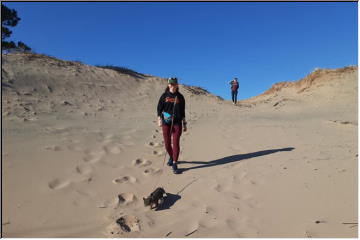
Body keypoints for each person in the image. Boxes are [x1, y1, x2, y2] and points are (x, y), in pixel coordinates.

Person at [157, 77, 187, 174]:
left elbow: (183, 111)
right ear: (168, 85)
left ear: (177, 85)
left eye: (174, 84)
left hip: (177, 122)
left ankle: (174, 163)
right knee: (167, 144)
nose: (173, 86)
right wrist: (159, 119)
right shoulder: (164, 96)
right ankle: (171, 156)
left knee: (176, 143)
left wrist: (185, 123)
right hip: (166, 122)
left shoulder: (180, 97)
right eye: (171, 84)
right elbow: (159, 108)